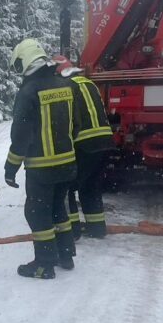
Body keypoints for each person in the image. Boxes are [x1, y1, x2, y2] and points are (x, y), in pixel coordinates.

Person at [5, 39, 80, 279]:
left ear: (24, 61)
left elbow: (21, 136)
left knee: (37, 213)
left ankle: (44, 265)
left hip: (41, 167)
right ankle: (66, 255)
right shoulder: (66, 85)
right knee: (58, 209)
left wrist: (10, 167)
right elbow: (77, 124)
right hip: (67, 164)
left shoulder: (29, 92)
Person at [54, 56, 114, 239]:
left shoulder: (65, 86)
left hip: (84, 142)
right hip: (104, 141)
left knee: (68, 186)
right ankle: (97, 228)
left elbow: (67, 118)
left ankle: (72, 231)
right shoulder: (89, 83)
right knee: (91, 186)